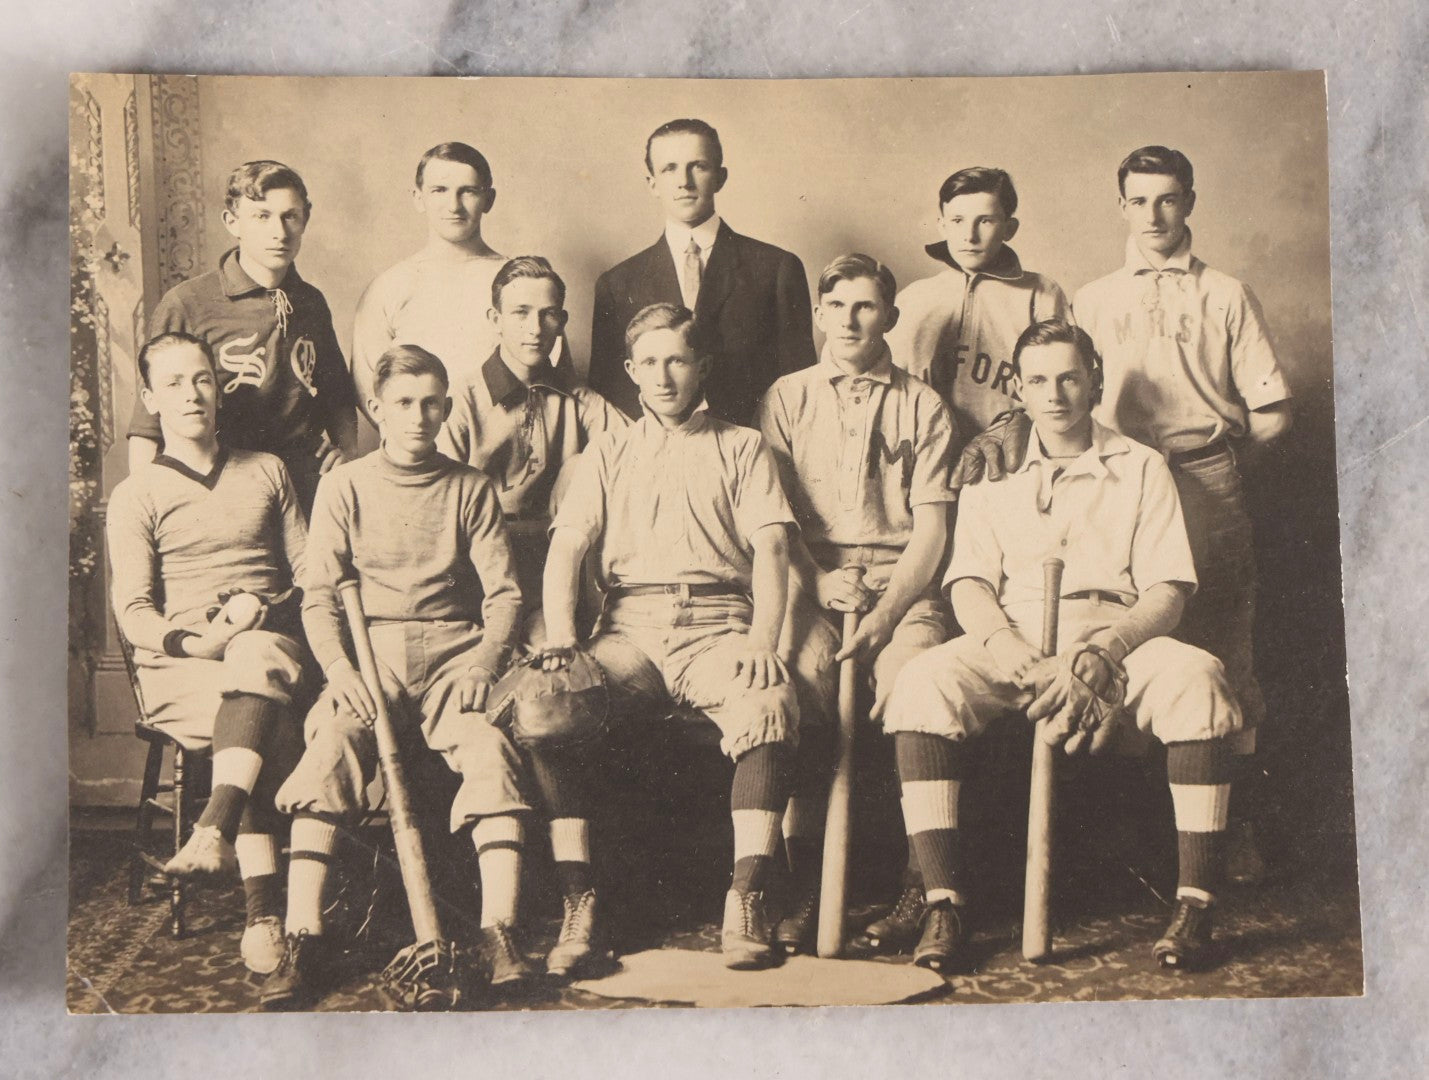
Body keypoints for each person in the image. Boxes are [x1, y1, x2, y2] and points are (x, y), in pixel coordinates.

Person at [883, 319, 1243, 973]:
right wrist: (1000, 642)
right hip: (1012, 636)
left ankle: (1195, 904)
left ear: (1094, 381)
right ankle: (943, 902)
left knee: (1199, 679)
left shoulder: (1139, 465)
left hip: (1114, 636)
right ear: (1018, 389)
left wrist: (1105, 650)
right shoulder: (992, 469)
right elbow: (967, 582)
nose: (1055, 394)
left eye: (1069, 377)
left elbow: (1166, 590)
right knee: (921, 681)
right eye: (1039, 380)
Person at [265, 345, 530, 1009]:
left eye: (431, 402)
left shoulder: (469, 488)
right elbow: (319, 594)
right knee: (330, 744)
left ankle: (500, 933)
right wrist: (339, 671)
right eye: (403, 404)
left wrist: (484, 661)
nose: (418, 416)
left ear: (446, 407)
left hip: (452, 654)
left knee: (488, 750)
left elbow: (504, 595)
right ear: (377, 410)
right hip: (369, 651)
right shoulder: (345, 486)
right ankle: (302, 936)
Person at [540, 302, 802, 970]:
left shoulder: (741, 445)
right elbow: (566, 551)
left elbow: (771, 551)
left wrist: (764, 641)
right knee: (551, 712)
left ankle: (746, 900)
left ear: (701, 367)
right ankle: (580, 902)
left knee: (769, 707)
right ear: (629, 371)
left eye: (677, 360)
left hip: (719, 627)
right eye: (649, 363)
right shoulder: (606, 452)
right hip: (631, 630)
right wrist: (566, 641)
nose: (663, 377)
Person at [1072, 146, 1293, 879]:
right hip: (1119, 487)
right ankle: (1130, 833)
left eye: (1167, 199)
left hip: (1204, 479)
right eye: (1139, 200)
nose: (1154, 214)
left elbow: (1269, 411)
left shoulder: (1226, 293)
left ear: (1189, 201)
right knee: (1124, 635)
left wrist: (1218, 473)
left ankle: (1234, 831)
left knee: (1223, 643)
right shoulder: (1094, 297)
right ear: (1121, 206)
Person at [757, 254, 956, 954]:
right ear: (818, 312)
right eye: (836, 304)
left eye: (866, 306)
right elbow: (772, 516)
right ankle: (811, 884)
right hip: (812, 578)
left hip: (900, 584)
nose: (849, 319)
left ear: (890, 318)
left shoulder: (923, 405)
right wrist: (814, 582)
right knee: (793, 688)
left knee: (919, 688)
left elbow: (931, 532)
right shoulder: (787, 396)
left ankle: (922, 888)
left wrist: (886, 613)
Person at [106, 332, 311, 977]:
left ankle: (214, 832)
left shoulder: (267, 469)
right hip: (183, 664)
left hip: (267, 641)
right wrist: (197, 642)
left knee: (252, 665)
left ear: (219, 389)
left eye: (201, 379)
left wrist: (260, 609)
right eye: (173, 383)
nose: (191, 394)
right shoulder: (136, 493)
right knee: (254, 716)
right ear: (150, 398)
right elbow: (133, 609)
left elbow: (312, 576)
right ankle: (261, 912)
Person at [125, 160, 358, 515]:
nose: (279, 232)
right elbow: (147, 422)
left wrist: (347, 452)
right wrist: (146, 506)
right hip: (222, 488)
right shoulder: (188, 303)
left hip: (305, 487)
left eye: (290, 216)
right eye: (262, 216)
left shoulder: (311, 301)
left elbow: (337, 395)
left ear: (305, 219)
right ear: (232, 222)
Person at [439, 256, 627, 645]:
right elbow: (435, 503)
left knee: (557, 661)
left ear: (563, 321)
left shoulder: (580, 400)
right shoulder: (462, 400)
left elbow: (640, 453)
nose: (535, 329)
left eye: (548, 315)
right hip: (482, 571)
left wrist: (578, 468)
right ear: (495, 319)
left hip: (558, 570)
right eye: (520, 313)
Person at [588, 118, 815, 426]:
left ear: (720, 177)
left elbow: (799, 388)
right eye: (669, 168)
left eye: (698, 166)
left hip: (751, 454)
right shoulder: (617, 284)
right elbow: (609, 399)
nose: (684, 181)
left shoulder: (776, 269)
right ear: (652, 183)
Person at [884, 166, 1066, 451]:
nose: (969, 235)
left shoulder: (1041, 293)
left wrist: (1018, 425)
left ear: (1009, 228)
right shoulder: (913, 298)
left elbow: (1064, 387)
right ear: (941, 225)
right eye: (957, 220)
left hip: (1008, 457)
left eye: (986, 221)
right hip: (922, 456)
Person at [351, 142, 539, 413]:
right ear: (418, 198)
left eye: (469, 191)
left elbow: (554, 377)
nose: (454, 205)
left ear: (489, 199)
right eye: (439, 190)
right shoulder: (389, 286)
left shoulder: (521, 281)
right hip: (423, 450)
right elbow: (369, 386)